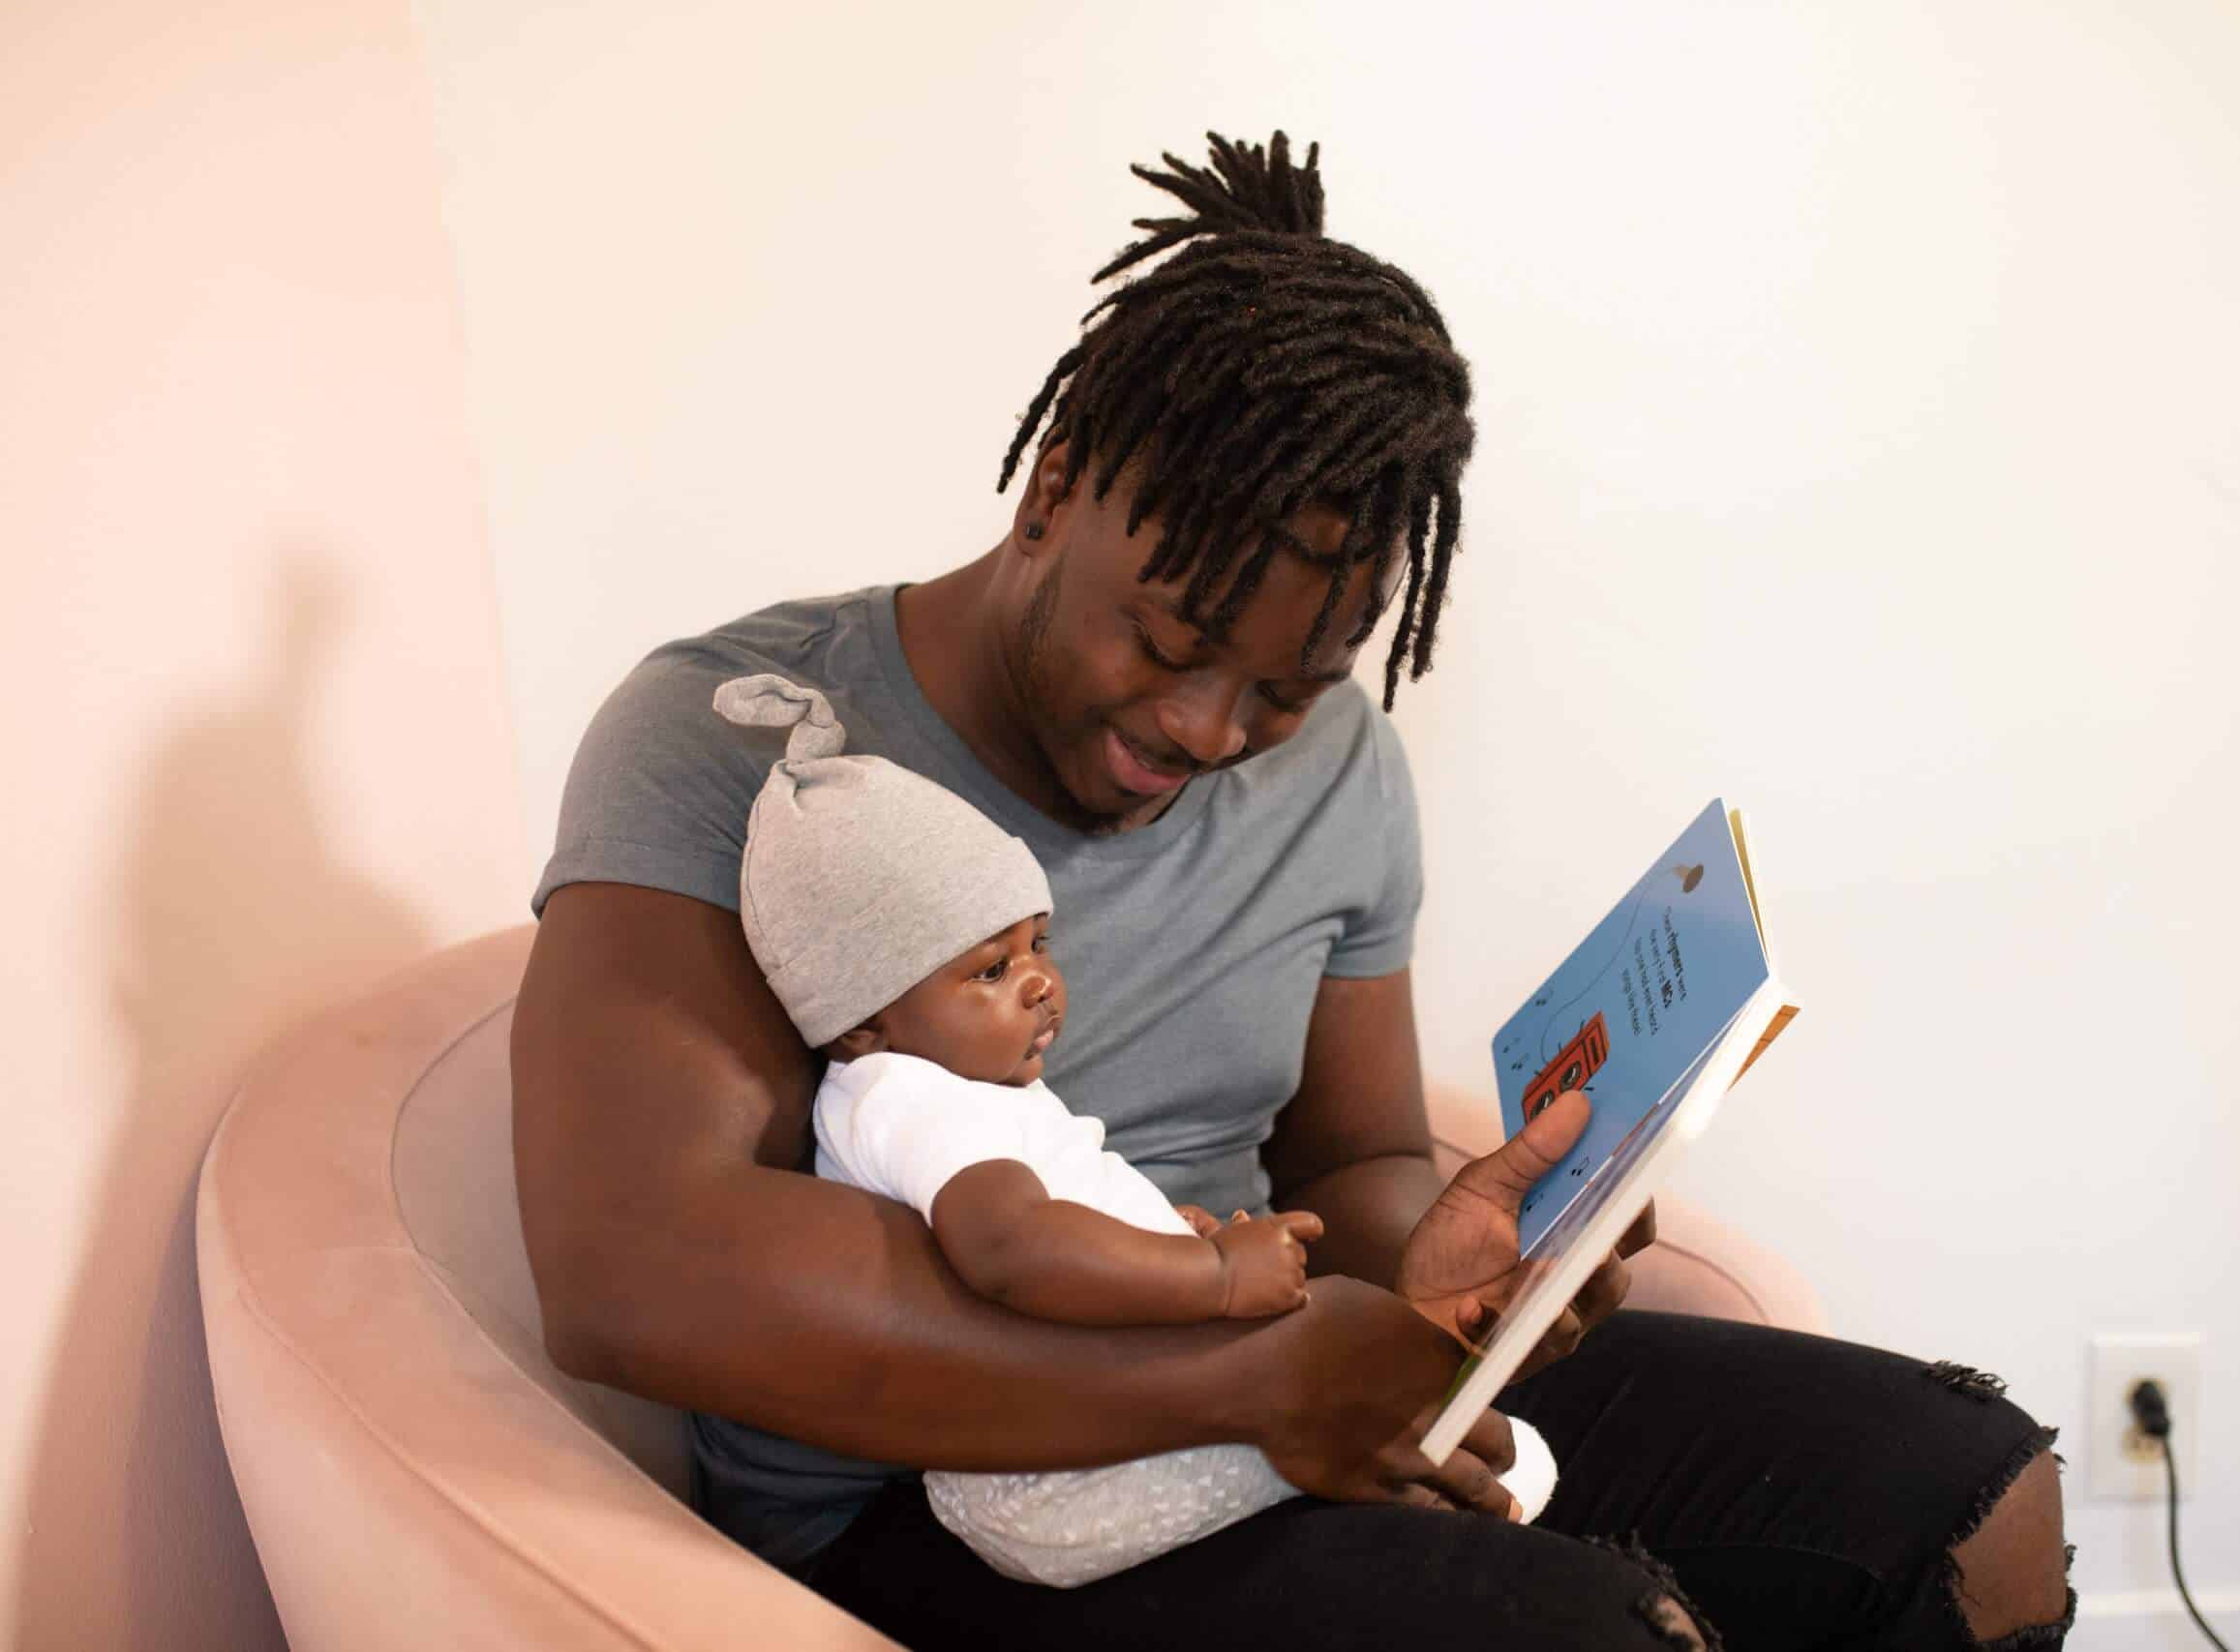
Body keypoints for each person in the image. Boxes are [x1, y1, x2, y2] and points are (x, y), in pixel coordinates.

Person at [513, 131, 2075, 1649]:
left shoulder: (1338, 764)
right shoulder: (743, 736)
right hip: (937, 1493)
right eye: (1174, 644)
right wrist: (1235, 1381)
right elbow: (634, 1274)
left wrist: (1456, 1265)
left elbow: (1360, 1154)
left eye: (1286, 685)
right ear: (1056, 487)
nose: (1206, 734)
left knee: (1961, 1486)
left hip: (1280, 1376)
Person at [706, 668, 1556, 1585]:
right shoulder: (908, 1097)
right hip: (1046, 1476)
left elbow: (1054, 1228)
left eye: (1038, 942)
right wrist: (1214, 1275)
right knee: (1411, 1434)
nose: (1038, 981)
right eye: (990, 970)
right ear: (862, 1019)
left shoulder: (961, 1087)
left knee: (1389, 1407)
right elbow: (1012, 1247)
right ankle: (1469, 1458)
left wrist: (1158, 1237)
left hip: (1082, 1442)